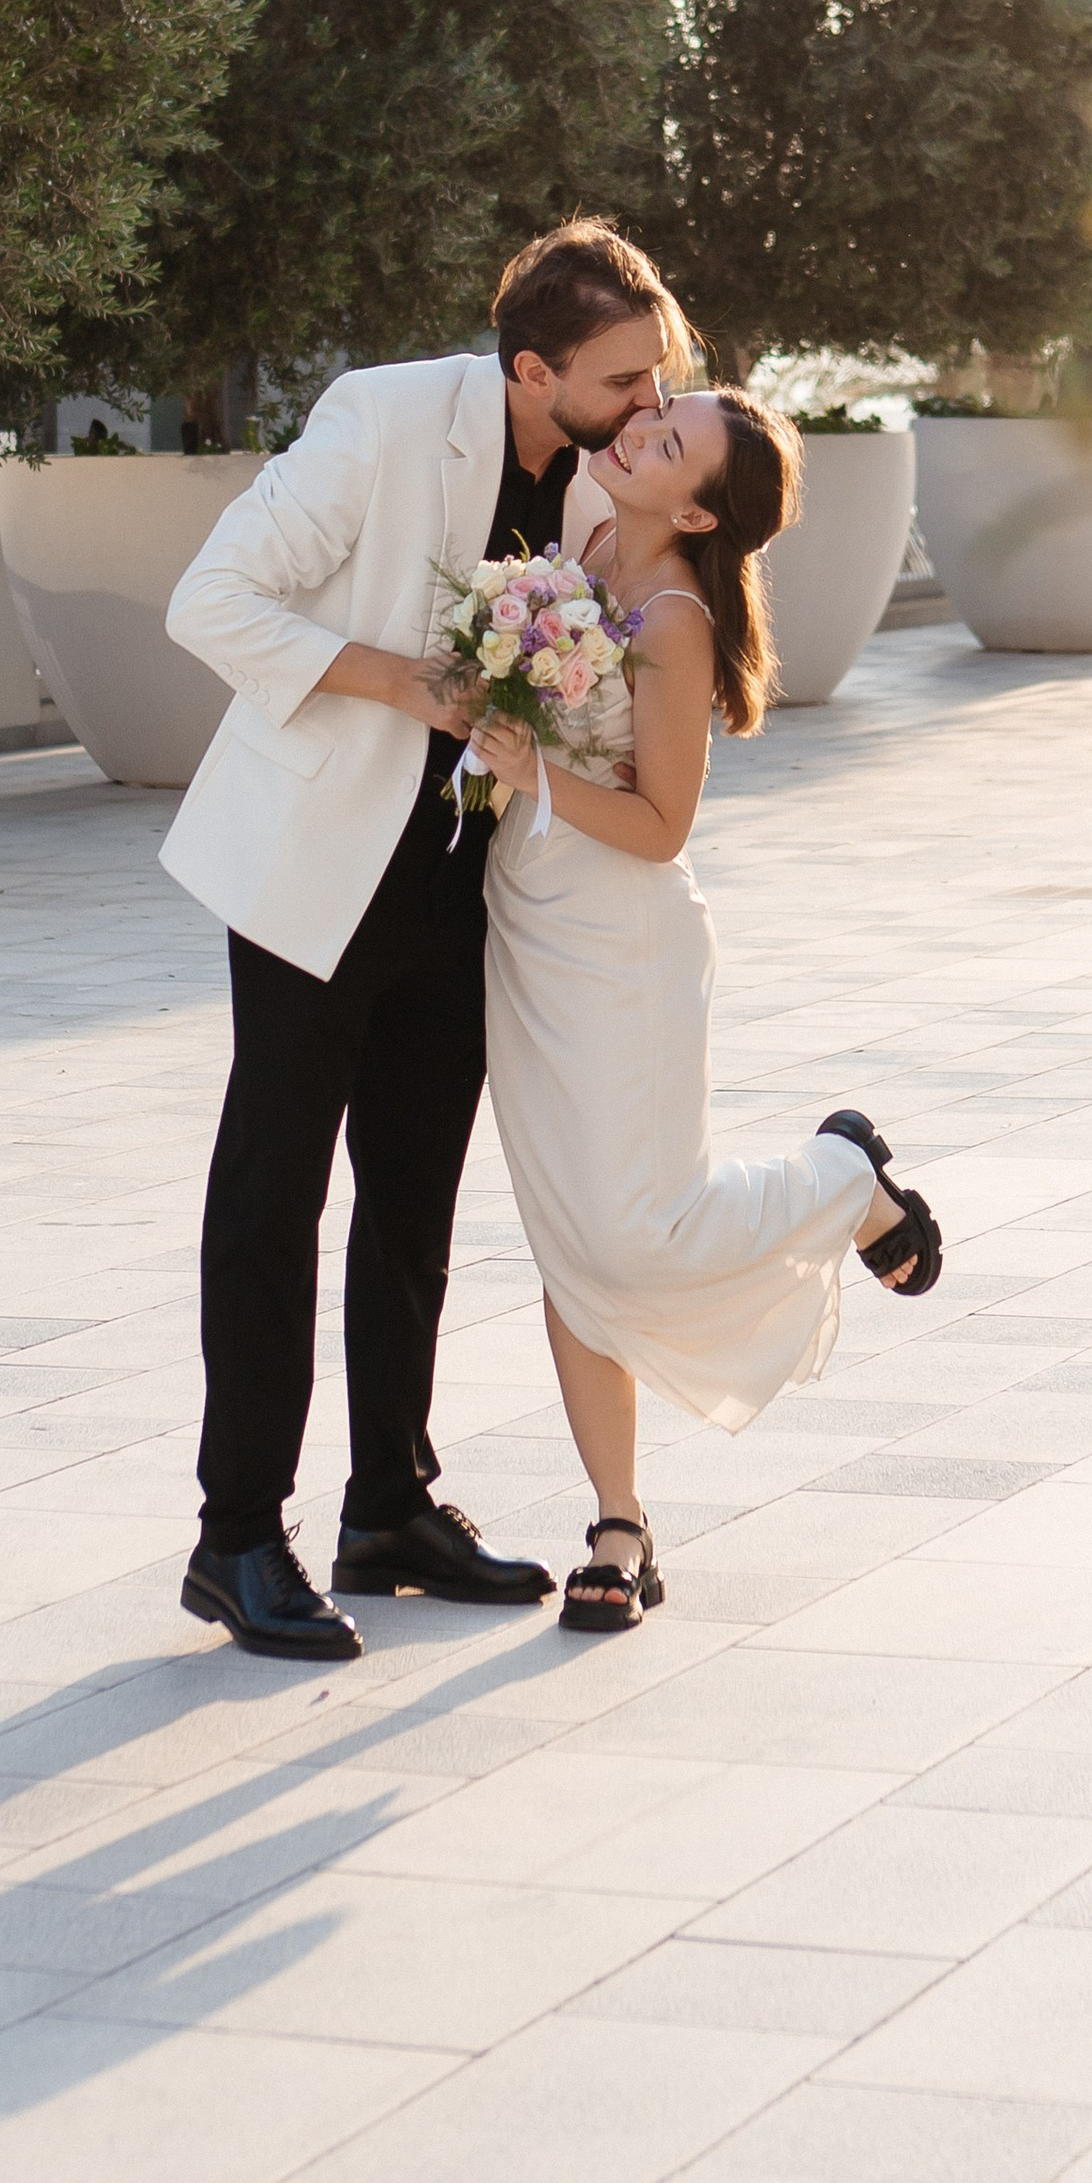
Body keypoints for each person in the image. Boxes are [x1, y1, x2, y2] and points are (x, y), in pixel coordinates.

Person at [159, 220, 692, 1659]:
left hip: (465, 881)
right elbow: (208, 601)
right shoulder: (384, 418)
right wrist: (400, 679)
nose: (652, 403)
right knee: (274, 1197)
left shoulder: (599, 476)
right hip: (312, 869)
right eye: (625, 378)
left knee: (414, 1200)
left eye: (661, 376)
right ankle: (234, 1536)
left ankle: (390, 1501)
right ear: (534, 371)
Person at [474, 386, 943, 1632]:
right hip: (525, 922)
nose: (637, 427)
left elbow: (660, 823)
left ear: (693, 507)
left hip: (624, 943)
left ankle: (841, 1176)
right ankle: (616, 1525)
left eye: (666, 440)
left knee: (638, 1231)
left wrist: (531, 770)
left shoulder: (673, 616)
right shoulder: (582, 537)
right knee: (573, 1240)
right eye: (655, 410)